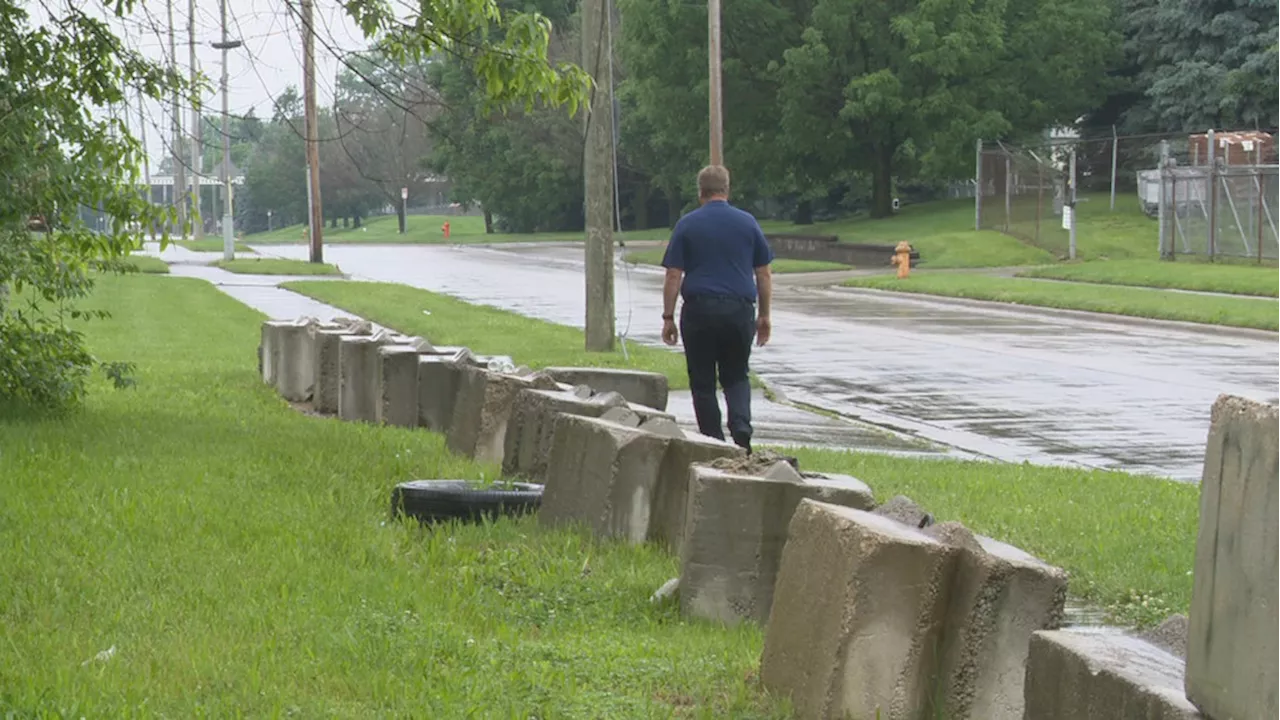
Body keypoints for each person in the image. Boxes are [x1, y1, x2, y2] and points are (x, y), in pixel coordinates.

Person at [660, 165, 774, 453]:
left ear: (700, 192)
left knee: (702, 380)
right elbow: (764, 273)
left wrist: (668, 317)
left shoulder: (687, 224)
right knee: (736, 374)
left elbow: (674, 274)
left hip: (699, 311)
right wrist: (764, 315)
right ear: (727, 189)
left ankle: (713, 441)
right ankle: (741, 428)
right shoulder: (748, 223)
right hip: (739, 310)